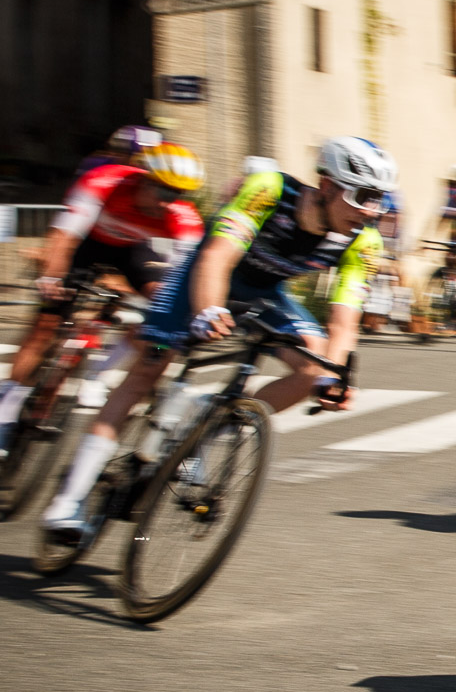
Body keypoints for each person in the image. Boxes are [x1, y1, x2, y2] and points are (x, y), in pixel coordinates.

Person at [39, 136, 397, 536]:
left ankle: (204, 427)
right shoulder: (270, 189)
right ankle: (68, 502)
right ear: (327, 185)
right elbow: (216, 257)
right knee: (147, 371)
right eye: (362, 196)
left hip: (263, 293)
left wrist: (335, 376)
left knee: (315, 367)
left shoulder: (364, 241)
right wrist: (208, 308)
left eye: (379, 199)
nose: (371, 210)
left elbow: (344, 323)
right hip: (202, 279)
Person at [0, 142, 206, 456]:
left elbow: (183, 277)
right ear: (143, 180)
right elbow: (64, 237)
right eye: (164, 191)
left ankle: (94, 374)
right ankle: (7, 407)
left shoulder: (183, 216)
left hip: (131, 250)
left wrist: (176, 315)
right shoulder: (104, 181)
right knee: (46, 326)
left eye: (178, 194)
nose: (169, 202)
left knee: (161, 300)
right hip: (86, 242)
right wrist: (51, 278)